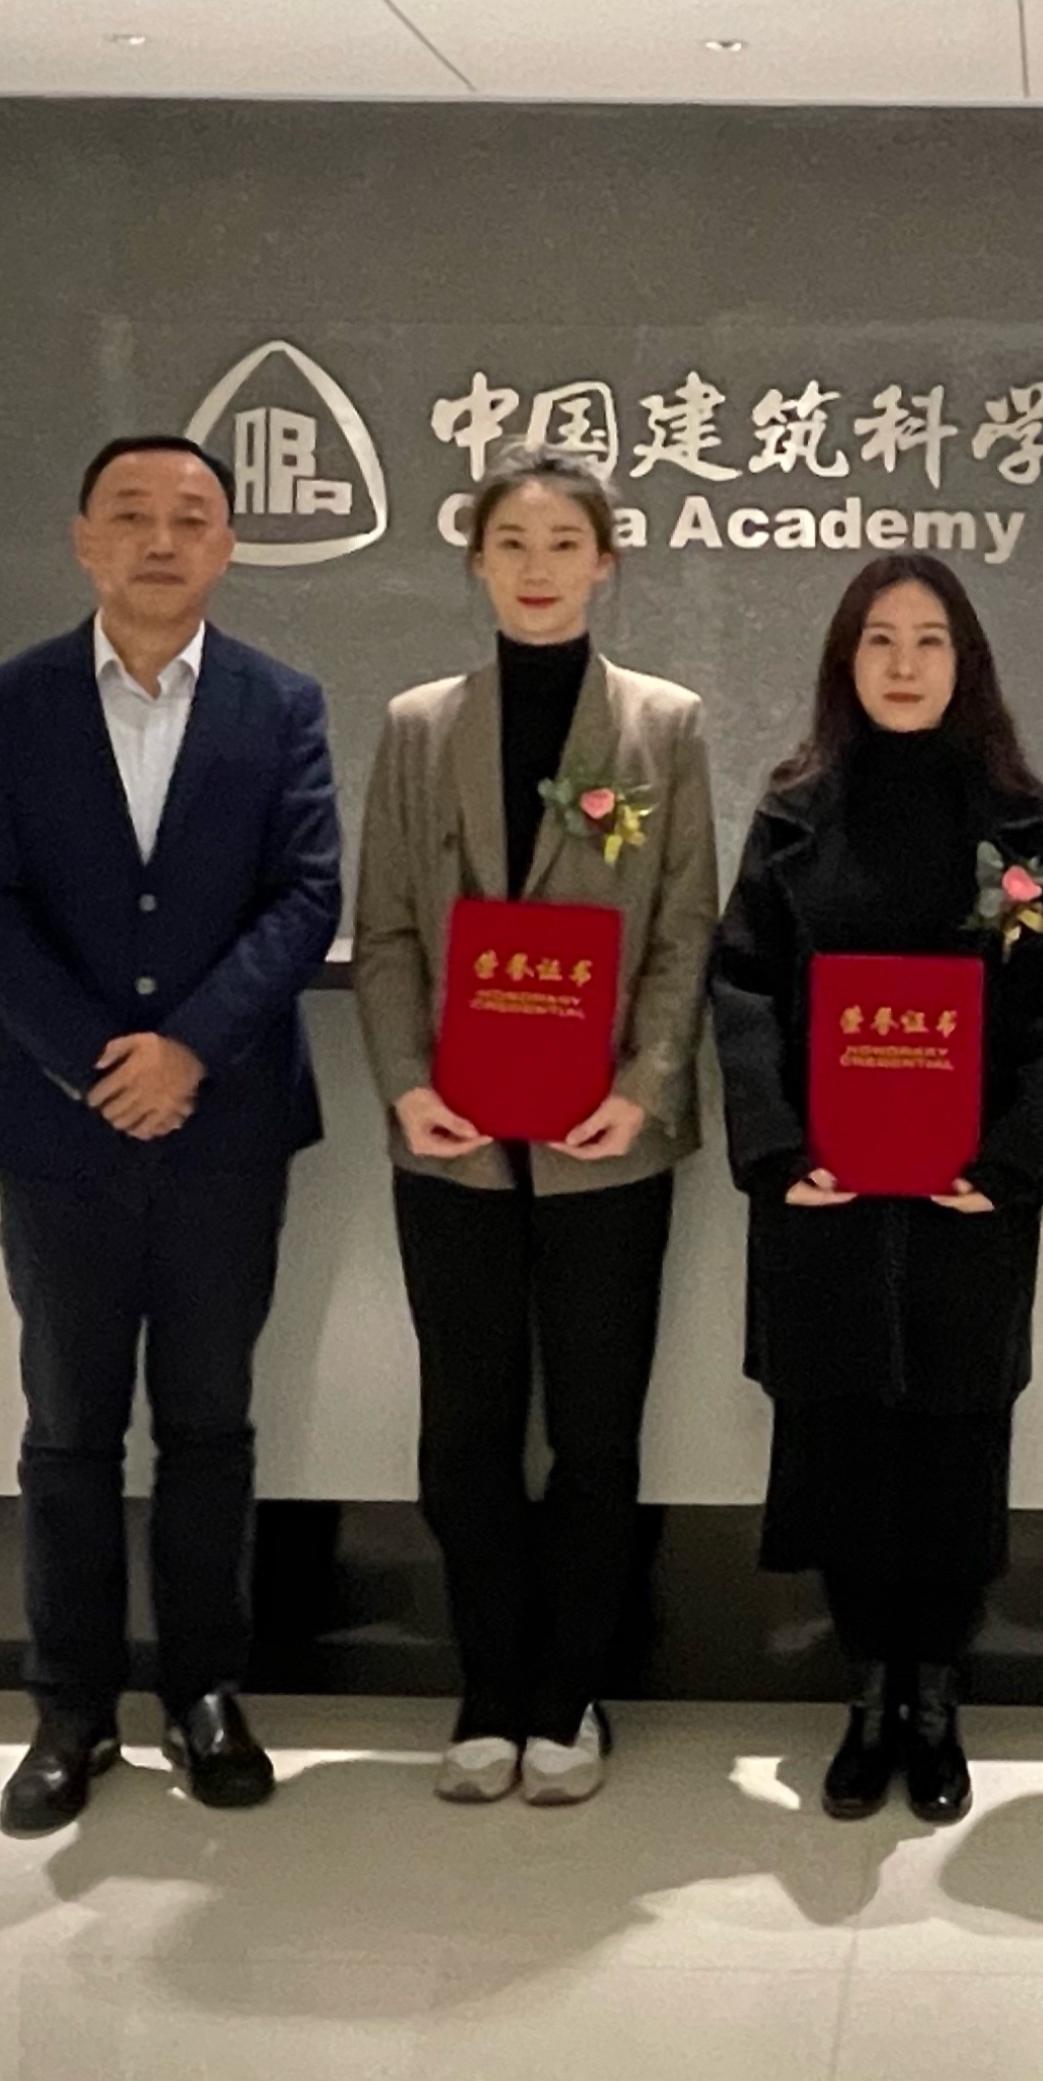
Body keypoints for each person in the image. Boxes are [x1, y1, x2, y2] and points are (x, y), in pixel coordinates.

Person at [0, 433, 341, 1838]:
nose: (161, 539)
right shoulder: (11, 704)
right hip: (59, 1131)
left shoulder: (279, 703)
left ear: (227, 545)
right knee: (68, 1427)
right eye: (131, 514)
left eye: (190, 517)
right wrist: (94, 1061)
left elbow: (305, 895)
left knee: (209, 1422)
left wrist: (192, 1049)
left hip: (226, 1121)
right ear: (84, 538)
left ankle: (207, 1692)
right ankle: (70, 1708)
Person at [350, 449, 719, 1807]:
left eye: (566, 542)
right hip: (450, 1138)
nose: (539, 566)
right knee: (466, 1427)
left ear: (605, 562)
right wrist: (407, 1081)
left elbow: (684, 928)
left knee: (597, 1429)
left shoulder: (663, 725)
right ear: (477, 562)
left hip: (604, 1140)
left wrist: (644, 1084)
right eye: (513, 541)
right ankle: (489, 1686)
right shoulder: (417, 726)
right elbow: (386, 928)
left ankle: (570, 1691)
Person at [709, 555, 1043, 1826]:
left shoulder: (1018, 827)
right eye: (880, 638)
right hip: (826, 1196)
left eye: (929, 639)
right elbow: (743, 983)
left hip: (963, 1202)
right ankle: (866, 1692)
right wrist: (779, 1148)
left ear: (964, 662)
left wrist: (1010, 1160)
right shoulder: (794, 814)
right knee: (842, 1444)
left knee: (953, 1443)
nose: (904, 663)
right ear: (846, 660)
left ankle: (936, 1696)